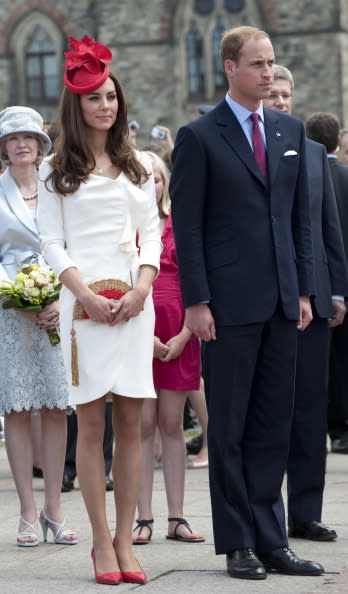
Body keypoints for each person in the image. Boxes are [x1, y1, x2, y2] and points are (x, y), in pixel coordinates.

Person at [170, 25, 324, 581]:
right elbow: (187, 229)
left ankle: (273, 539)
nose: (268, 73)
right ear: (230, 67)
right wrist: (197, 302)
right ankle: (238, 542)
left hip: (284, 302)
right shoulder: (199, 136)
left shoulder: (289, 128)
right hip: (227, 307)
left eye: (272, 63)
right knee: (229, 426)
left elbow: (299, 221)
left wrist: (305, 288)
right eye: (257, 64)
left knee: (271, 426)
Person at [37, 36, 161, 586]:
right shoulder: (53, 170)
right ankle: (98, 542)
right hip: (82, 304)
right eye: (94, 99)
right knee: (91, 424)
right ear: (76, 104)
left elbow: (152, 236)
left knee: (133, 422)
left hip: (135, 305)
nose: (105, 106)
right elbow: (51, 242)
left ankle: (125, 538)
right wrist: (82, 293)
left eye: (111, 97)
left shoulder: (137, 166)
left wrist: (142, 288)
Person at [263, 65, 348, 541]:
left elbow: (327, 228)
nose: (279, 101)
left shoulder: (315, 153)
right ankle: (268, 512)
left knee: (311, 408)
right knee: (273, 408)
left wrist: (335, 290)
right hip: (269, 300)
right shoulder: (256, 149)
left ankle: (306, 512)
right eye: (272, 94)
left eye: (285, 93)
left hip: (315, 298)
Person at [0, 106, 77, 547]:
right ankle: (27, 513)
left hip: (59, 307)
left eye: (29, 136)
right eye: (13, 138)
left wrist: (59, 300)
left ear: (41, 142)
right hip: (11, 312)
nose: (22, 143)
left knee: (54, 405)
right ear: (4, 148)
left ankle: (55, 509)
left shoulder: (59, 188)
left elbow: (74, 246)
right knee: (16, 407)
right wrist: (18, 299)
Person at [132, 151, 205, 545]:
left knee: (173, 424)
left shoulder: (182, 225)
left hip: (181, 330)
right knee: (142, 426)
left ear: (165, 182)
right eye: (144, 178)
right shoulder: (128, 229)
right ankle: (143, 516)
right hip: (139, 332)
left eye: (156, 178)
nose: (151, 184)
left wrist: (183, 336)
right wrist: (146, 337)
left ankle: (177, 516)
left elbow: (198, 282)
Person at [305, 112, 348, 454]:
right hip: (338, 284)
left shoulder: (312, 173)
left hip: (317, 283)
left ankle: (323, 425)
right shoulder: (344, 176)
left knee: (320, 364)